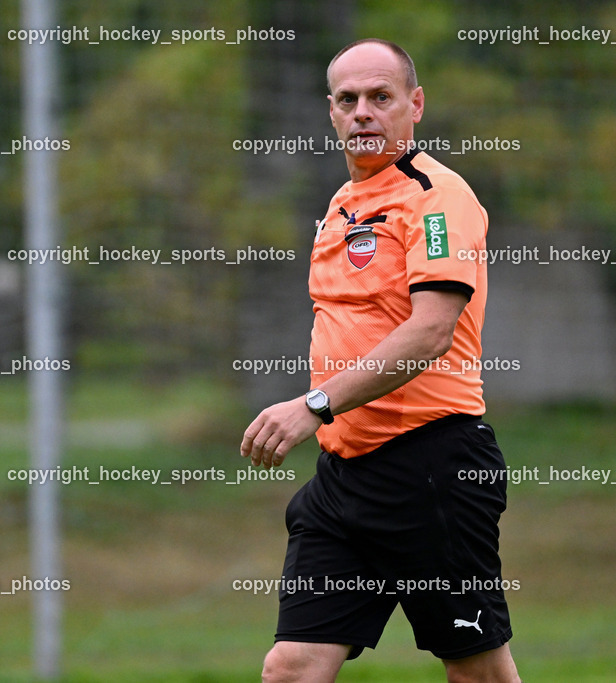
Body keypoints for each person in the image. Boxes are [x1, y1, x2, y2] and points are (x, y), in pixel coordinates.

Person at [240, 39, 522, 682]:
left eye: (380, 97)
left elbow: (429, 335)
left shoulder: (437, 195)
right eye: (348, 100)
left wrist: (313, 405)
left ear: (414, 105)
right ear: (331, 113)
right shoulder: (342, 204)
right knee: (291, 667)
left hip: (433, 468)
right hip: (344, 477)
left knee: (478, 672)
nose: (363, 112)